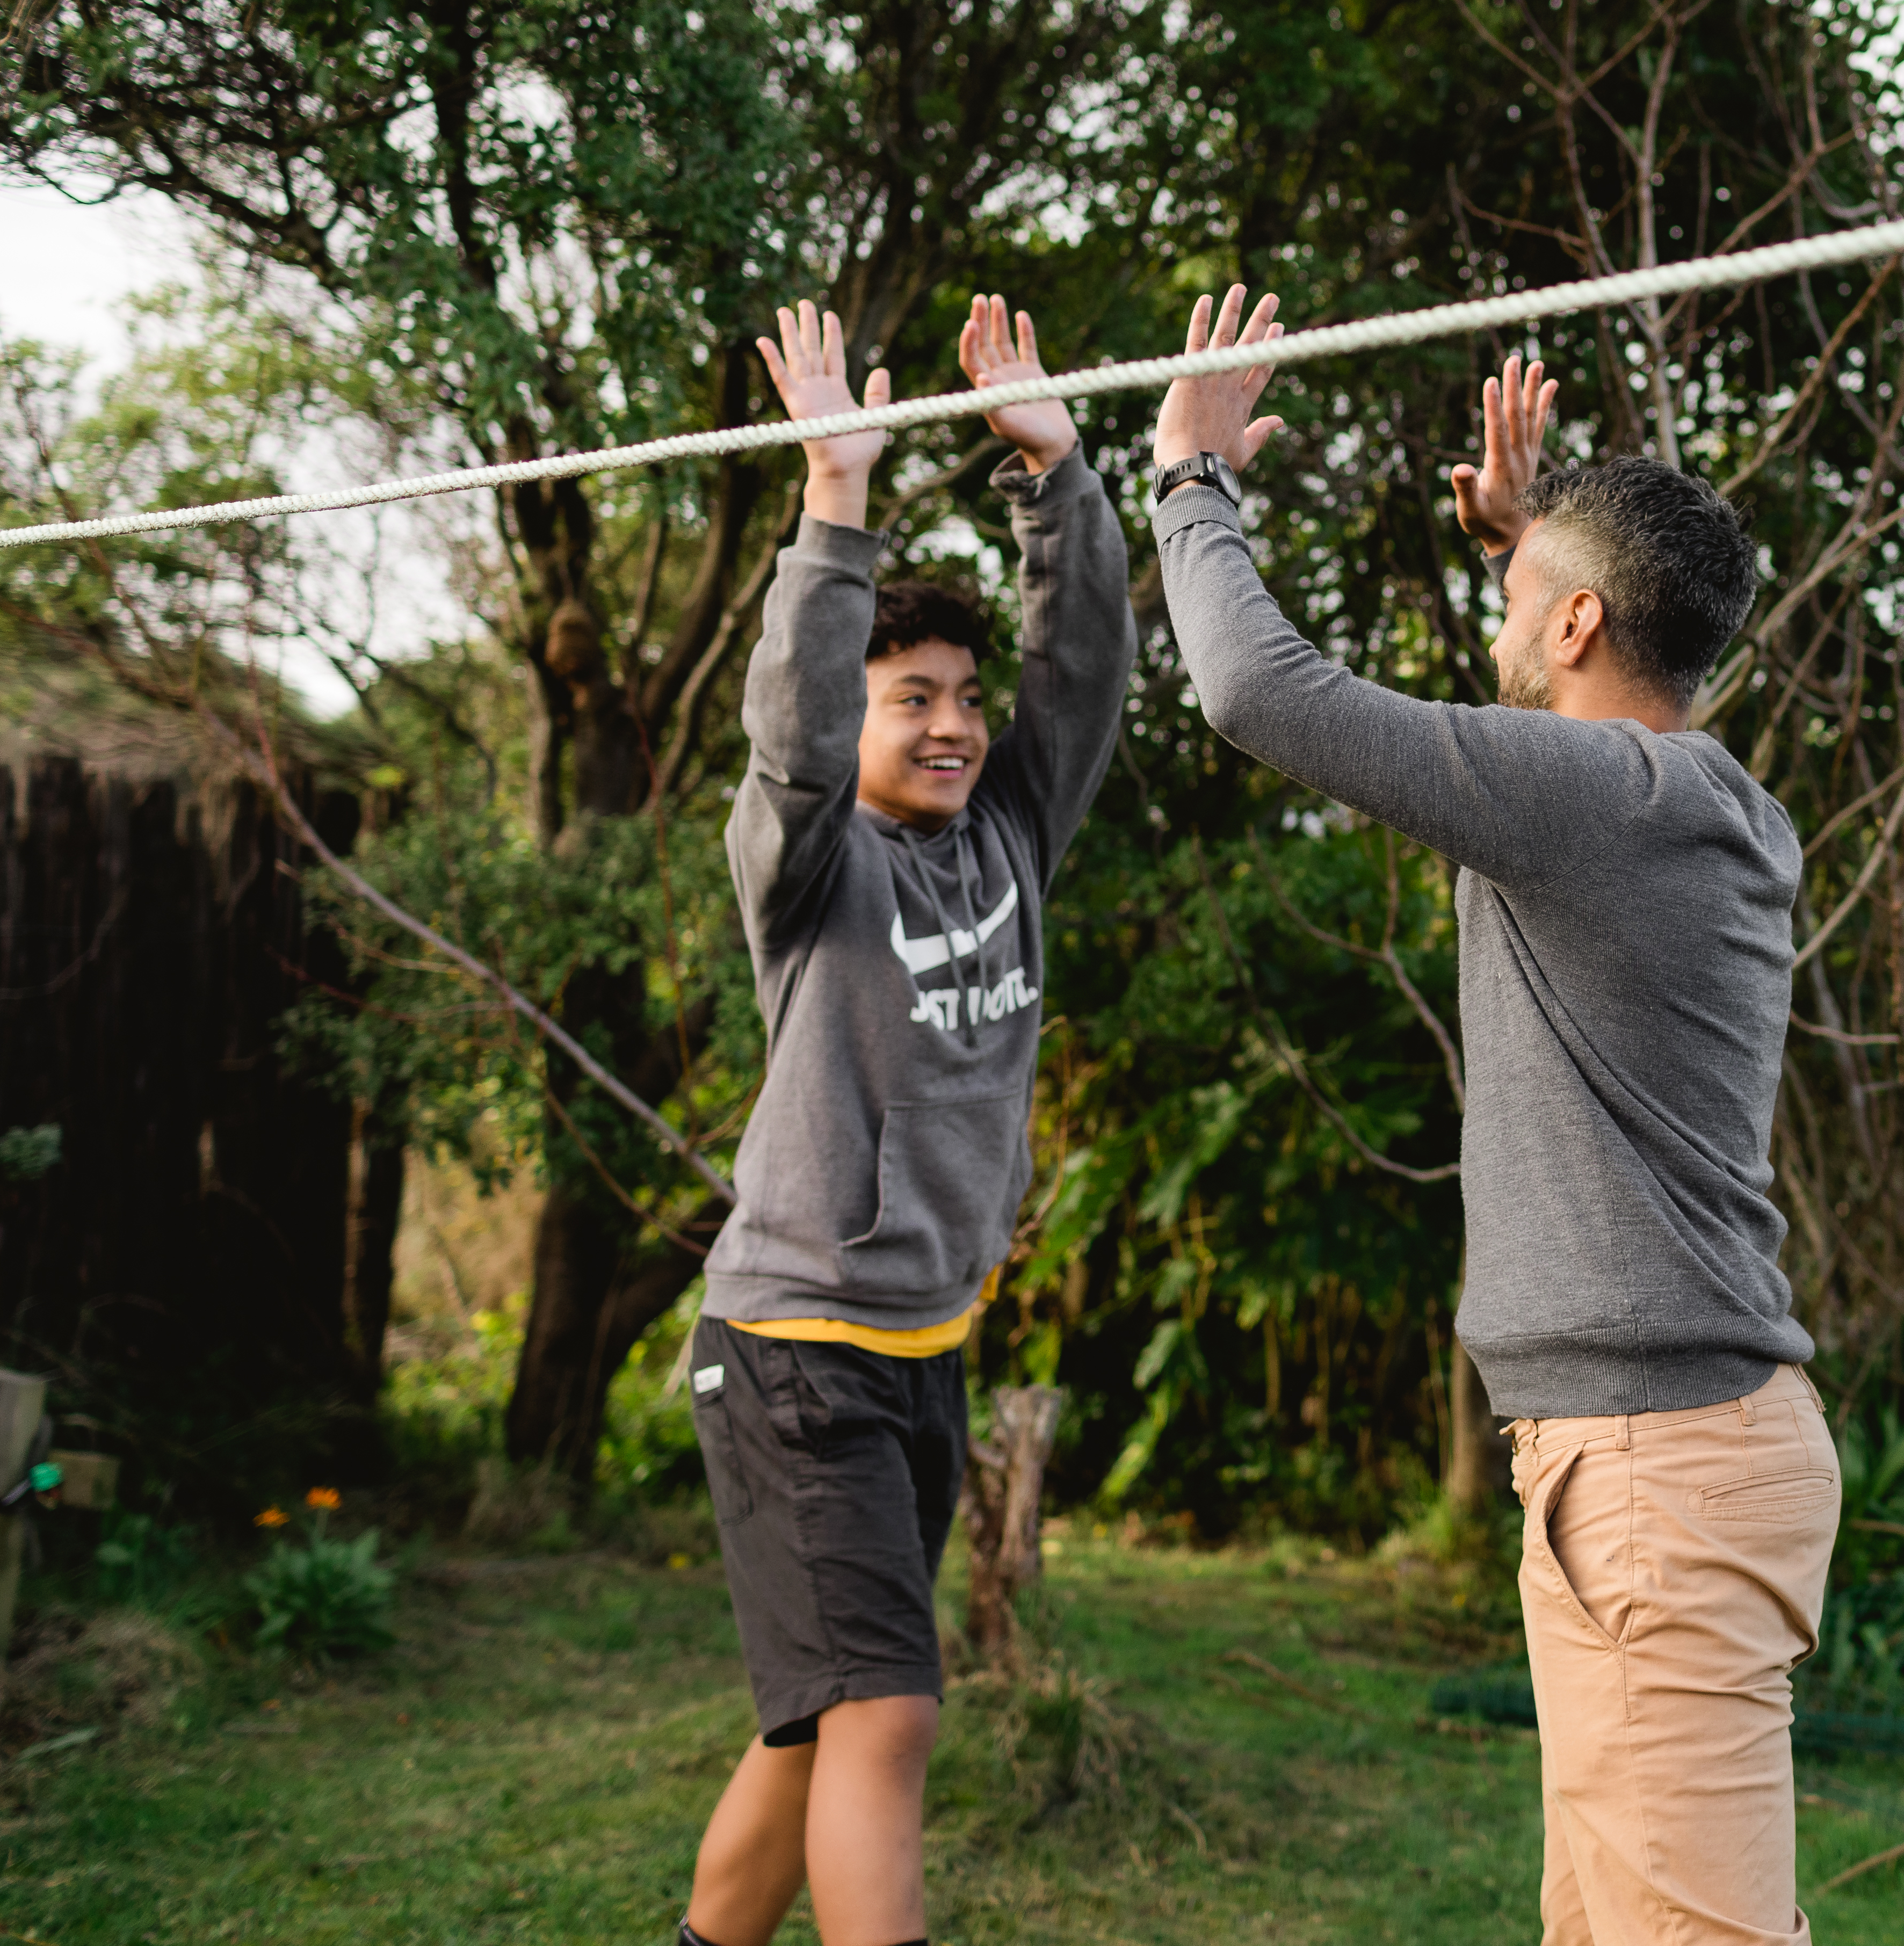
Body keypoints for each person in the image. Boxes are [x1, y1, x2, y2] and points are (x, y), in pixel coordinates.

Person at [1148, 287, 1840, 1946]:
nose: (1505, 614)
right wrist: (1526, 549)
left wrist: (1188, 472)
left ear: (1590, 623)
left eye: (1526, 597)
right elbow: (1546, 714)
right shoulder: (1680, 803)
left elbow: (1254, 690)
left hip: (1657, 1470)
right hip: (1635, 1460)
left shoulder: (1599, 805)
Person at [677, 293, 1134, 1946]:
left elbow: (1081, 673)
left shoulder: (1011, 832)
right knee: (889, 1711)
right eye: (908, 698)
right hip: (797, 1345)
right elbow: (791, 745)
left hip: (918, 1346)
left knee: (818, 1725)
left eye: (960, 694)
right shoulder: (807, 870)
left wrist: (1056, 470)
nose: (948, 722)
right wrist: (838, 506)